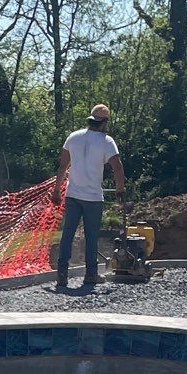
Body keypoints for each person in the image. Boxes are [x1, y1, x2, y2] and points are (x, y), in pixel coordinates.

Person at [54, 103, 124, 292]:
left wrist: (56, 191)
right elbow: (117, 166)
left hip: (73, 195)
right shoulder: (106, 141)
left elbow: (62, 167)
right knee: (91, 237)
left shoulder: (73, 137)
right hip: (93, 197)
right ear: (104, 122)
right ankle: (91, 273)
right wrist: (120, 188)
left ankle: (62, 274)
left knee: (67, 234)